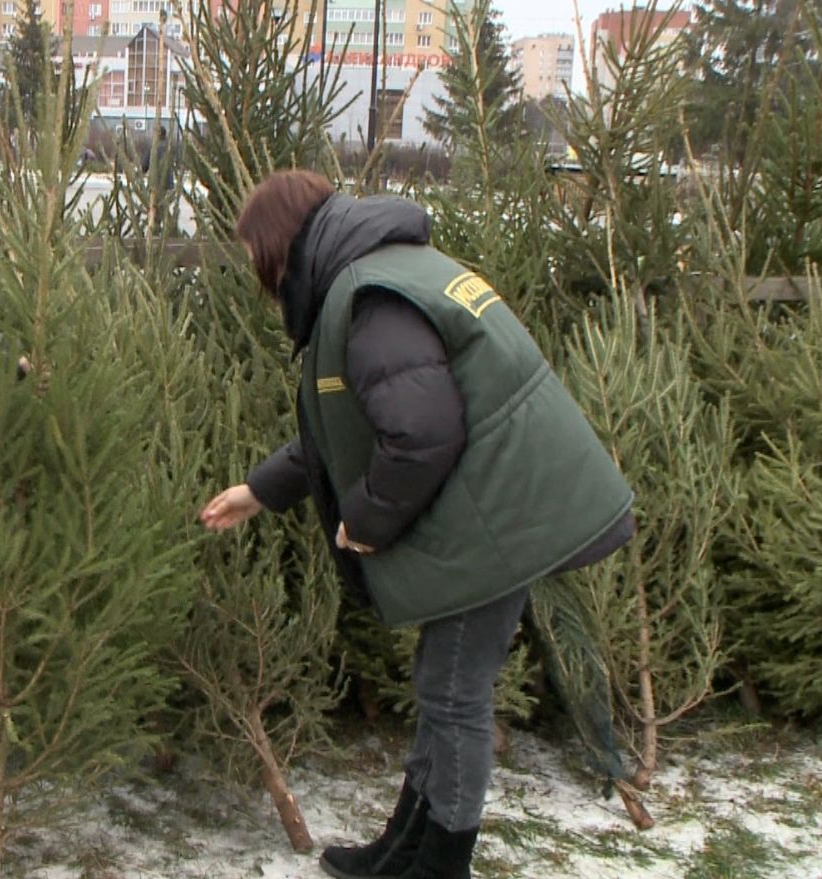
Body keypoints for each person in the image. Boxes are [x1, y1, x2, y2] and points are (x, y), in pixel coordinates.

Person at [199, 170, 635, 879]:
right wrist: (259, 489)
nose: (262, 278)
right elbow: (342, 430)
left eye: (258, 259)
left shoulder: (370, 298)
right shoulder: (388, 271)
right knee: (444, 683)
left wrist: (366, 521)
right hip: (498, 507)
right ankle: (406, 845)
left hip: (500, 519)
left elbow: (421, 434)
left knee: (455, 694)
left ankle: (439, 865)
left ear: (281, 247)